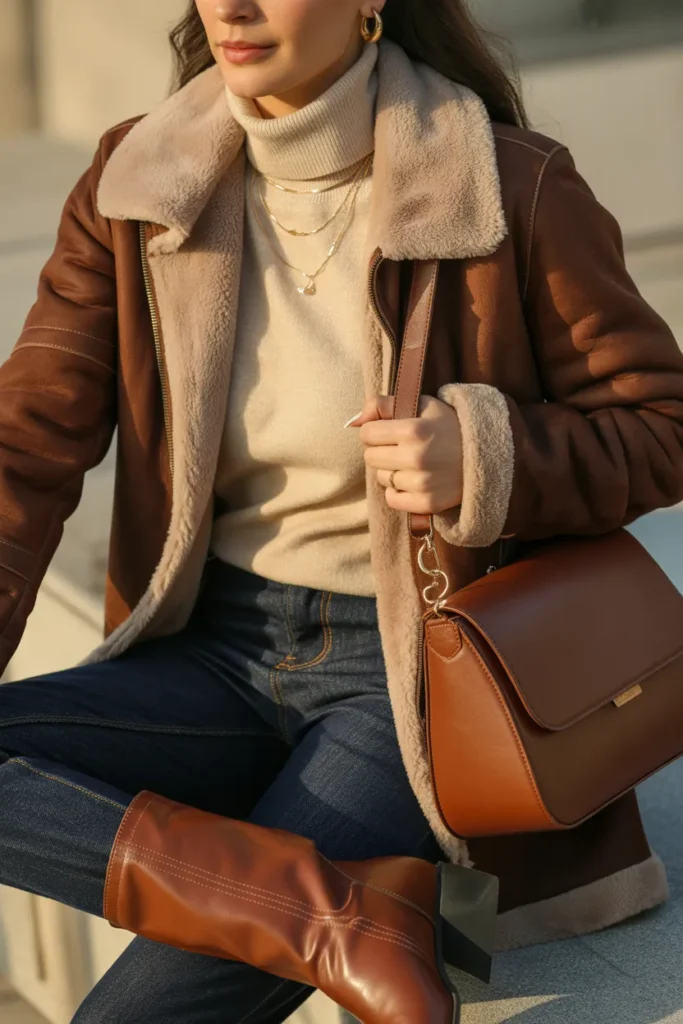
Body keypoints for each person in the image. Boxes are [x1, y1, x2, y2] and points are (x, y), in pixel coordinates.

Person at [0, 1, 682, 1021]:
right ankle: (323, 912)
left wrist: (487, 453)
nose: (230, 5)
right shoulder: (135, 181)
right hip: (209, 652)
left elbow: (658, 426)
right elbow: (26, 441)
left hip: (405, 684)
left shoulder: (505, 182)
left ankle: (321, 907)